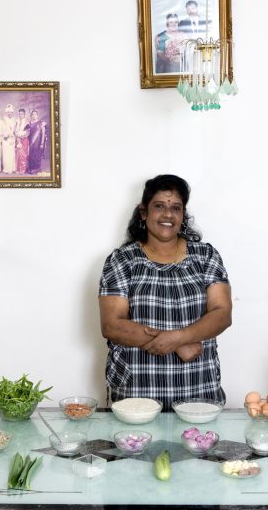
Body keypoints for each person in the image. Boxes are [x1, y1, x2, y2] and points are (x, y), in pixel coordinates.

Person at [99, 175, 232, 410]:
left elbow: (222, 313)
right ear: (143, 213)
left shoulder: (206, 256)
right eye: (159, 206)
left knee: (199, 446)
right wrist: (179, 344)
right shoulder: (122, 260)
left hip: (198, 388)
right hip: (136, 391)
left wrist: (179, 338)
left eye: (176, 208)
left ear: (183, 215)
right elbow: (112, 325)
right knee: (134, 446)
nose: (168, 215)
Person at [27, 109, 47, 174]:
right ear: (31, 116)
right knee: (31, 154)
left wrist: (42, 143)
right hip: (31, 141)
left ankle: (37, 168)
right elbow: (27, 133)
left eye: (35, 114)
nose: (34, 116)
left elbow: (43, 133)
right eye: (32, 114)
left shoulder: (41, 123)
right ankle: (31, 168)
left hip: (38, 142)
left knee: (37, 155)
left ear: (37, 115)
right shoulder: (30, 123)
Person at [1, 104, 17, 173]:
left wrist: (13, 135)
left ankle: (12, 168)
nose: (9, 114)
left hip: (12, 139)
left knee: (12, 153)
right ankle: (6, 169)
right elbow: (2, 130)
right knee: (6, 154)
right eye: (8, 112)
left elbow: (15, 130)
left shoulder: (14, 120)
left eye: (11, 112)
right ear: (6, 113)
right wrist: (6, 135)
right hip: (6, 139)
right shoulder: (3, 120)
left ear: (12, 113)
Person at [14, 108, 30, 174]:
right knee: (18, 154)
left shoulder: (27, 122)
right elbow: (15, 131)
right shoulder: (17, 121)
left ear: (24, 114)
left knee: (24, 154)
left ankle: (23, 169)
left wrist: (22, 136)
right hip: (18, 139)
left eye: (22, 114)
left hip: (24, 139)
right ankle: (18, 169)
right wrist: (17, 136)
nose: (20, 115)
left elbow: (28, 132)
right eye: (19, 114)